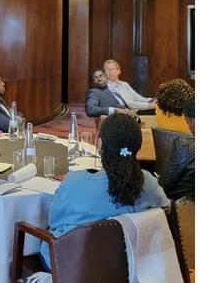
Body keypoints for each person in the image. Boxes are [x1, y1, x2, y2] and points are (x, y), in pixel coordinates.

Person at [41, 112, 169, 269]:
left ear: (99, 143)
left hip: (73, 268)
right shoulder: (148, 182)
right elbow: (165, 209)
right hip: (127, 266)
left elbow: (54, 222)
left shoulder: (73, 182)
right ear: (138, 146)